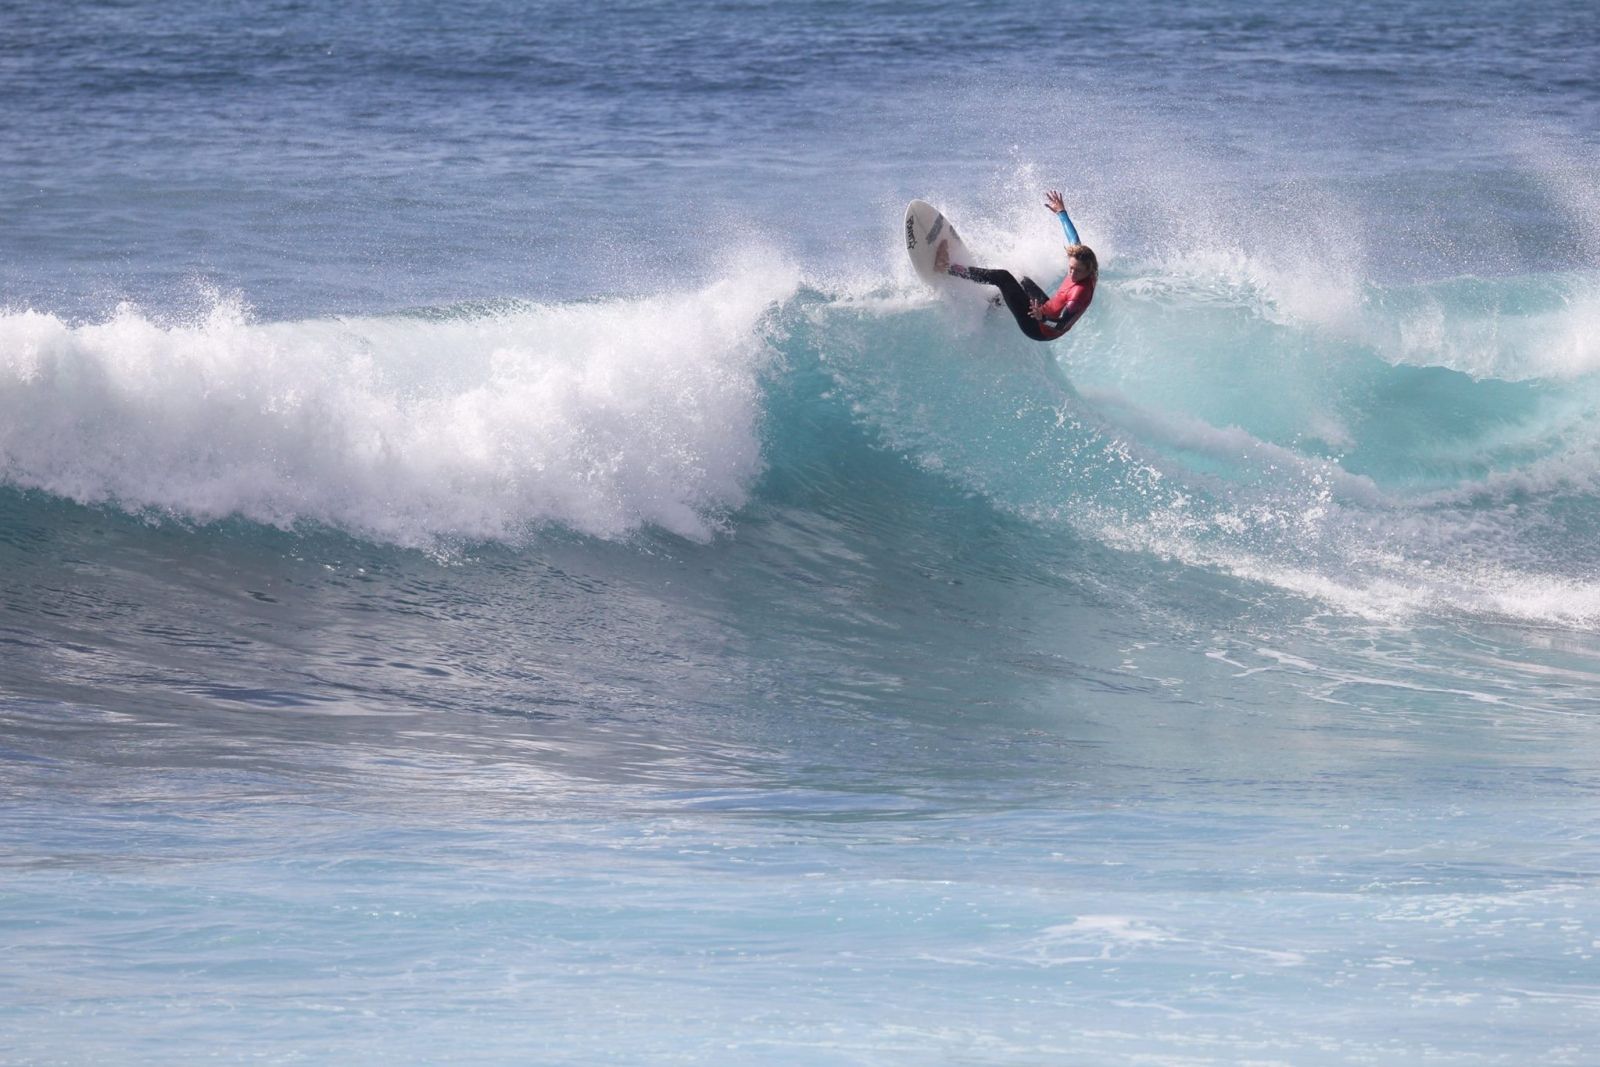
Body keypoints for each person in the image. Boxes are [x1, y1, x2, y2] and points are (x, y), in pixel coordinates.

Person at [933, 189, 1097, 342]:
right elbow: (1074, 239)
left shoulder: (1079, 294)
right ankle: (993, 305)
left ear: (1089, 270)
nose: (1072, 273)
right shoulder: (1081, 258)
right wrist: (1061, 212)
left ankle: (947, 268)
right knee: (1021, 279)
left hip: (1040, 329)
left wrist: (1042, 318)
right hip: (1046, 309)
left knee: (1003, 277)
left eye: (1078, 271)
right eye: (1071, 267)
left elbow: (1061, 325)